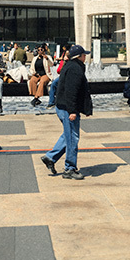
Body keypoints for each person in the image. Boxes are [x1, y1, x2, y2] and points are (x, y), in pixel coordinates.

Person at [40, 44, 93, 180]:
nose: (85, 57)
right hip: (67, 109)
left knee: (67, 136)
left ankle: (50, 157)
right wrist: (72, 111)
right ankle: (69, 169)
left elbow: (60, 86)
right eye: (84, 55)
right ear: (79, 57)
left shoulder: (70, 66)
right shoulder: (75, 69)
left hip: (63, 107)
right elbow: (71, 91)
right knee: (72, 138)